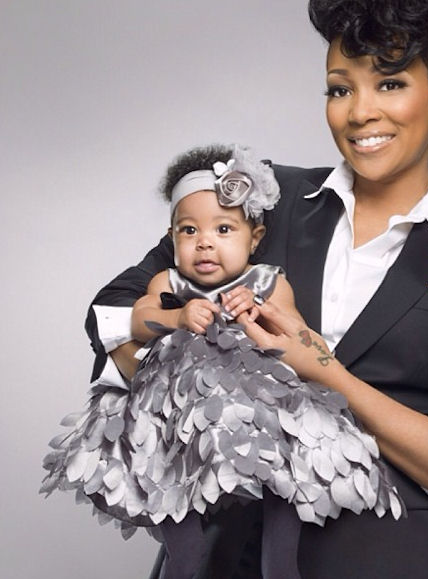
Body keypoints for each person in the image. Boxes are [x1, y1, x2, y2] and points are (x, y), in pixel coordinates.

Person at [85, 0, 428, 577]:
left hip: (386, 562)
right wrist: (173, 334)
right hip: (221, 559)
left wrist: (323, 371)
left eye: (391, 83)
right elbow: (110, 312)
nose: (360, 112)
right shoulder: (264, 200)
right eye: (341, 88)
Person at [41, 144, 402, 579]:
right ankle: (184, 556)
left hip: (254, 414)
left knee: (285, 476)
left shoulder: (268, 282)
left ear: (255, 238)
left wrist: (261, 310)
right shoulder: (168, 281)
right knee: (170, 490)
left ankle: (280, 563)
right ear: (172, 237)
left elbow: (300, 337)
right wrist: (176, 316)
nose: (205, 242)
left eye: (224, 229)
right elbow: (138, 316)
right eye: (189, 231)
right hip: (180, 416)